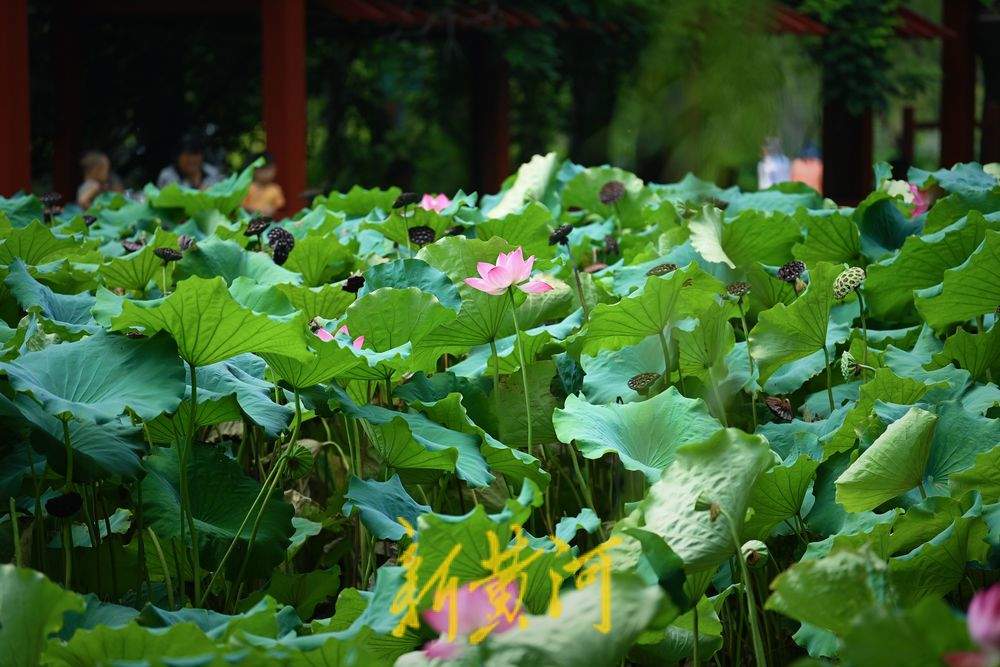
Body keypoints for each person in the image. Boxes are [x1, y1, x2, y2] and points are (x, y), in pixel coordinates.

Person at [157, 138, 222, 190]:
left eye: (195, 154)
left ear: (202, 156)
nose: (191, 159)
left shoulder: (213, 173)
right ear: (178, 157)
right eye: (186, 154)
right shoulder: (167, 175)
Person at [242, 152, 285, 216]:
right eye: (264, 170)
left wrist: (271, 210)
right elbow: (242, 206)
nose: (267, 173)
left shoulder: (275, 189)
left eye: (270, 169)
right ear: (254, 170)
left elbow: (278, 205)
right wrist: (255, 211)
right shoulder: (247, 188)